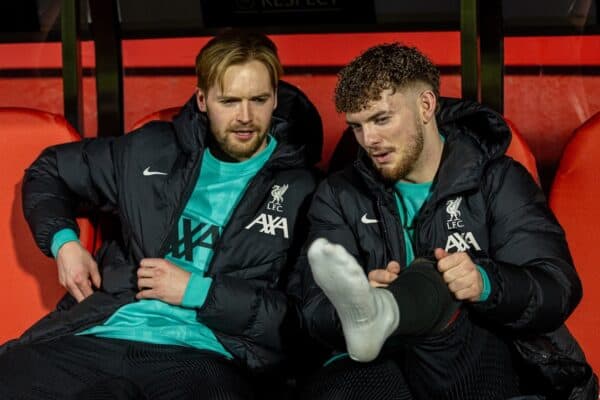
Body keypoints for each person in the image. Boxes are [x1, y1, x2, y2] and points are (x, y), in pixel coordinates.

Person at [0, 29, 320, 399]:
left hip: (204, 354)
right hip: (103, 332)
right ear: (202, 99)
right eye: (229, 101)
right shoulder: (150, 149)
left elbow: (301, 323)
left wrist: (200, 292)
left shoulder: (305, 191)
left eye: (259, 100)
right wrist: (65, 244)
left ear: (275, 97)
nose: (245, 117)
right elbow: (49, 170)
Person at [291, 43, 597, 399]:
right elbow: (311, 310)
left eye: (381, 119)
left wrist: (484, 282)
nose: (369, 140)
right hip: (391, 361)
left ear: (425, 106)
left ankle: (384, 313)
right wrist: (354, 300)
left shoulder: (496, 180)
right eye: (356, 127)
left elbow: (557, 288)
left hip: (484, 363)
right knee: (337, 389)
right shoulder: (339, 194)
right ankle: (375, 313)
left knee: (439, 274)